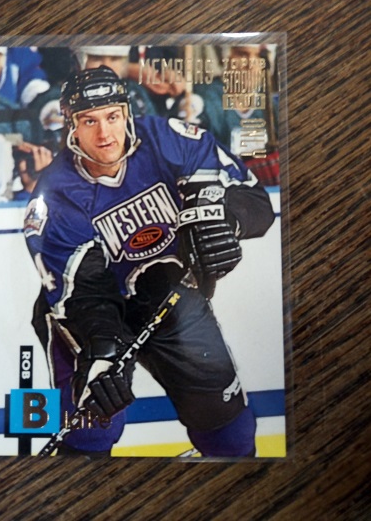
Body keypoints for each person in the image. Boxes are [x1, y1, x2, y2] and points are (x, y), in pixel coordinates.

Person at [24, 66, 275, 458]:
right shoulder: (54, 197)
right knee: (93, 425)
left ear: (127, 112)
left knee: (229, 431)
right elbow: (82, 294)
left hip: (171, 296)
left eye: (112, 116)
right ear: (71, 125)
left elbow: (255, 201)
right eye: (89, 121)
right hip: (90, 313)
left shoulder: (170, 141)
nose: (104, 134)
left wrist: (229, 220)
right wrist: (101, 351)